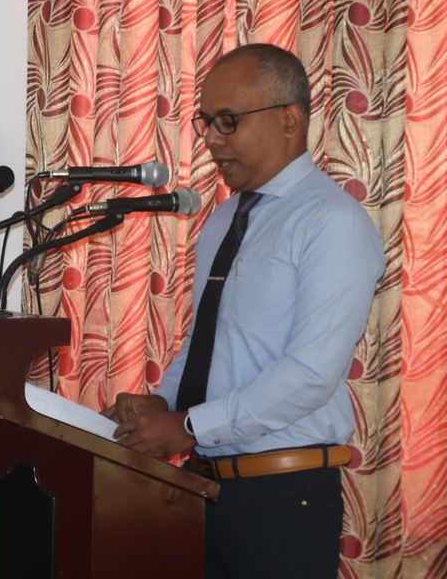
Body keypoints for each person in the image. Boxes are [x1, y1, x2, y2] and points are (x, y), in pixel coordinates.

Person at [105, 43, 385, 578]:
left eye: (228, 121)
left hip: (282, 498)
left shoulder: (332, 224)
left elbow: (310, 374)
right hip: (205, 487)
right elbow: (208, 340)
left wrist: (188, 426)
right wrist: (163, 402)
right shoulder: (224, 219)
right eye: (207, 122)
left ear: (289, 120)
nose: (212, 138)